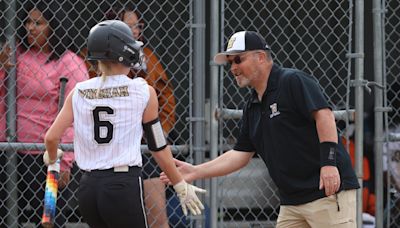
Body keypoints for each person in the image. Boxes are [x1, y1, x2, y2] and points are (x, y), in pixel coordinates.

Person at [161, 31, 360, 227]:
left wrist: (329, 164)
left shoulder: (292, 81)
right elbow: (240, 154)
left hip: (326, 191)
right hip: (292, 201)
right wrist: (195, 171)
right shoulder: (252, 106)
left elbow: (324, 116)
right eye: (230, 62)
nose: (233, 68)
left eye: (238, 59)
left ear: (261, 57)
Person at [43, 20, 205, 228]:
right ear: (125, 54)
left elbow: (51, 137)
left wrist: (53, 156)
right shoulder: (143, 91)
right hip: (122, 185)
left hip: (88, 188)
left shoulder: (79, 91)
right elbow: (157, 145)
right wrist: (179, 183)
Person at [80, 5, 178, 227]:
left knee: (157, 218)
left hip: (143, 146)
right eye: (128, 26)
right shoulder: (94, 63)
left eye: (137, 26)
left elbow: (166, 96)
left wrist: (162, 126)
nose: (134, 31)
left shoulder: (148, 58)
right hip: (113, 155)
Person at [0, 1, 88, 227]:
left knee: (49, 219)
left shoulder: (70, 63)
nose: (30, 27)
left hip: (48, 157)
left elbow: (77, 115)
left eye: (38, 23)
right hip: (11, 152)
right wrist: (2, 68)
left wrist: (65, 160)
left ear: (54, 26)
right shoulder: (16, 56)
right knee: (6, 216)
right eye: (28, 22)